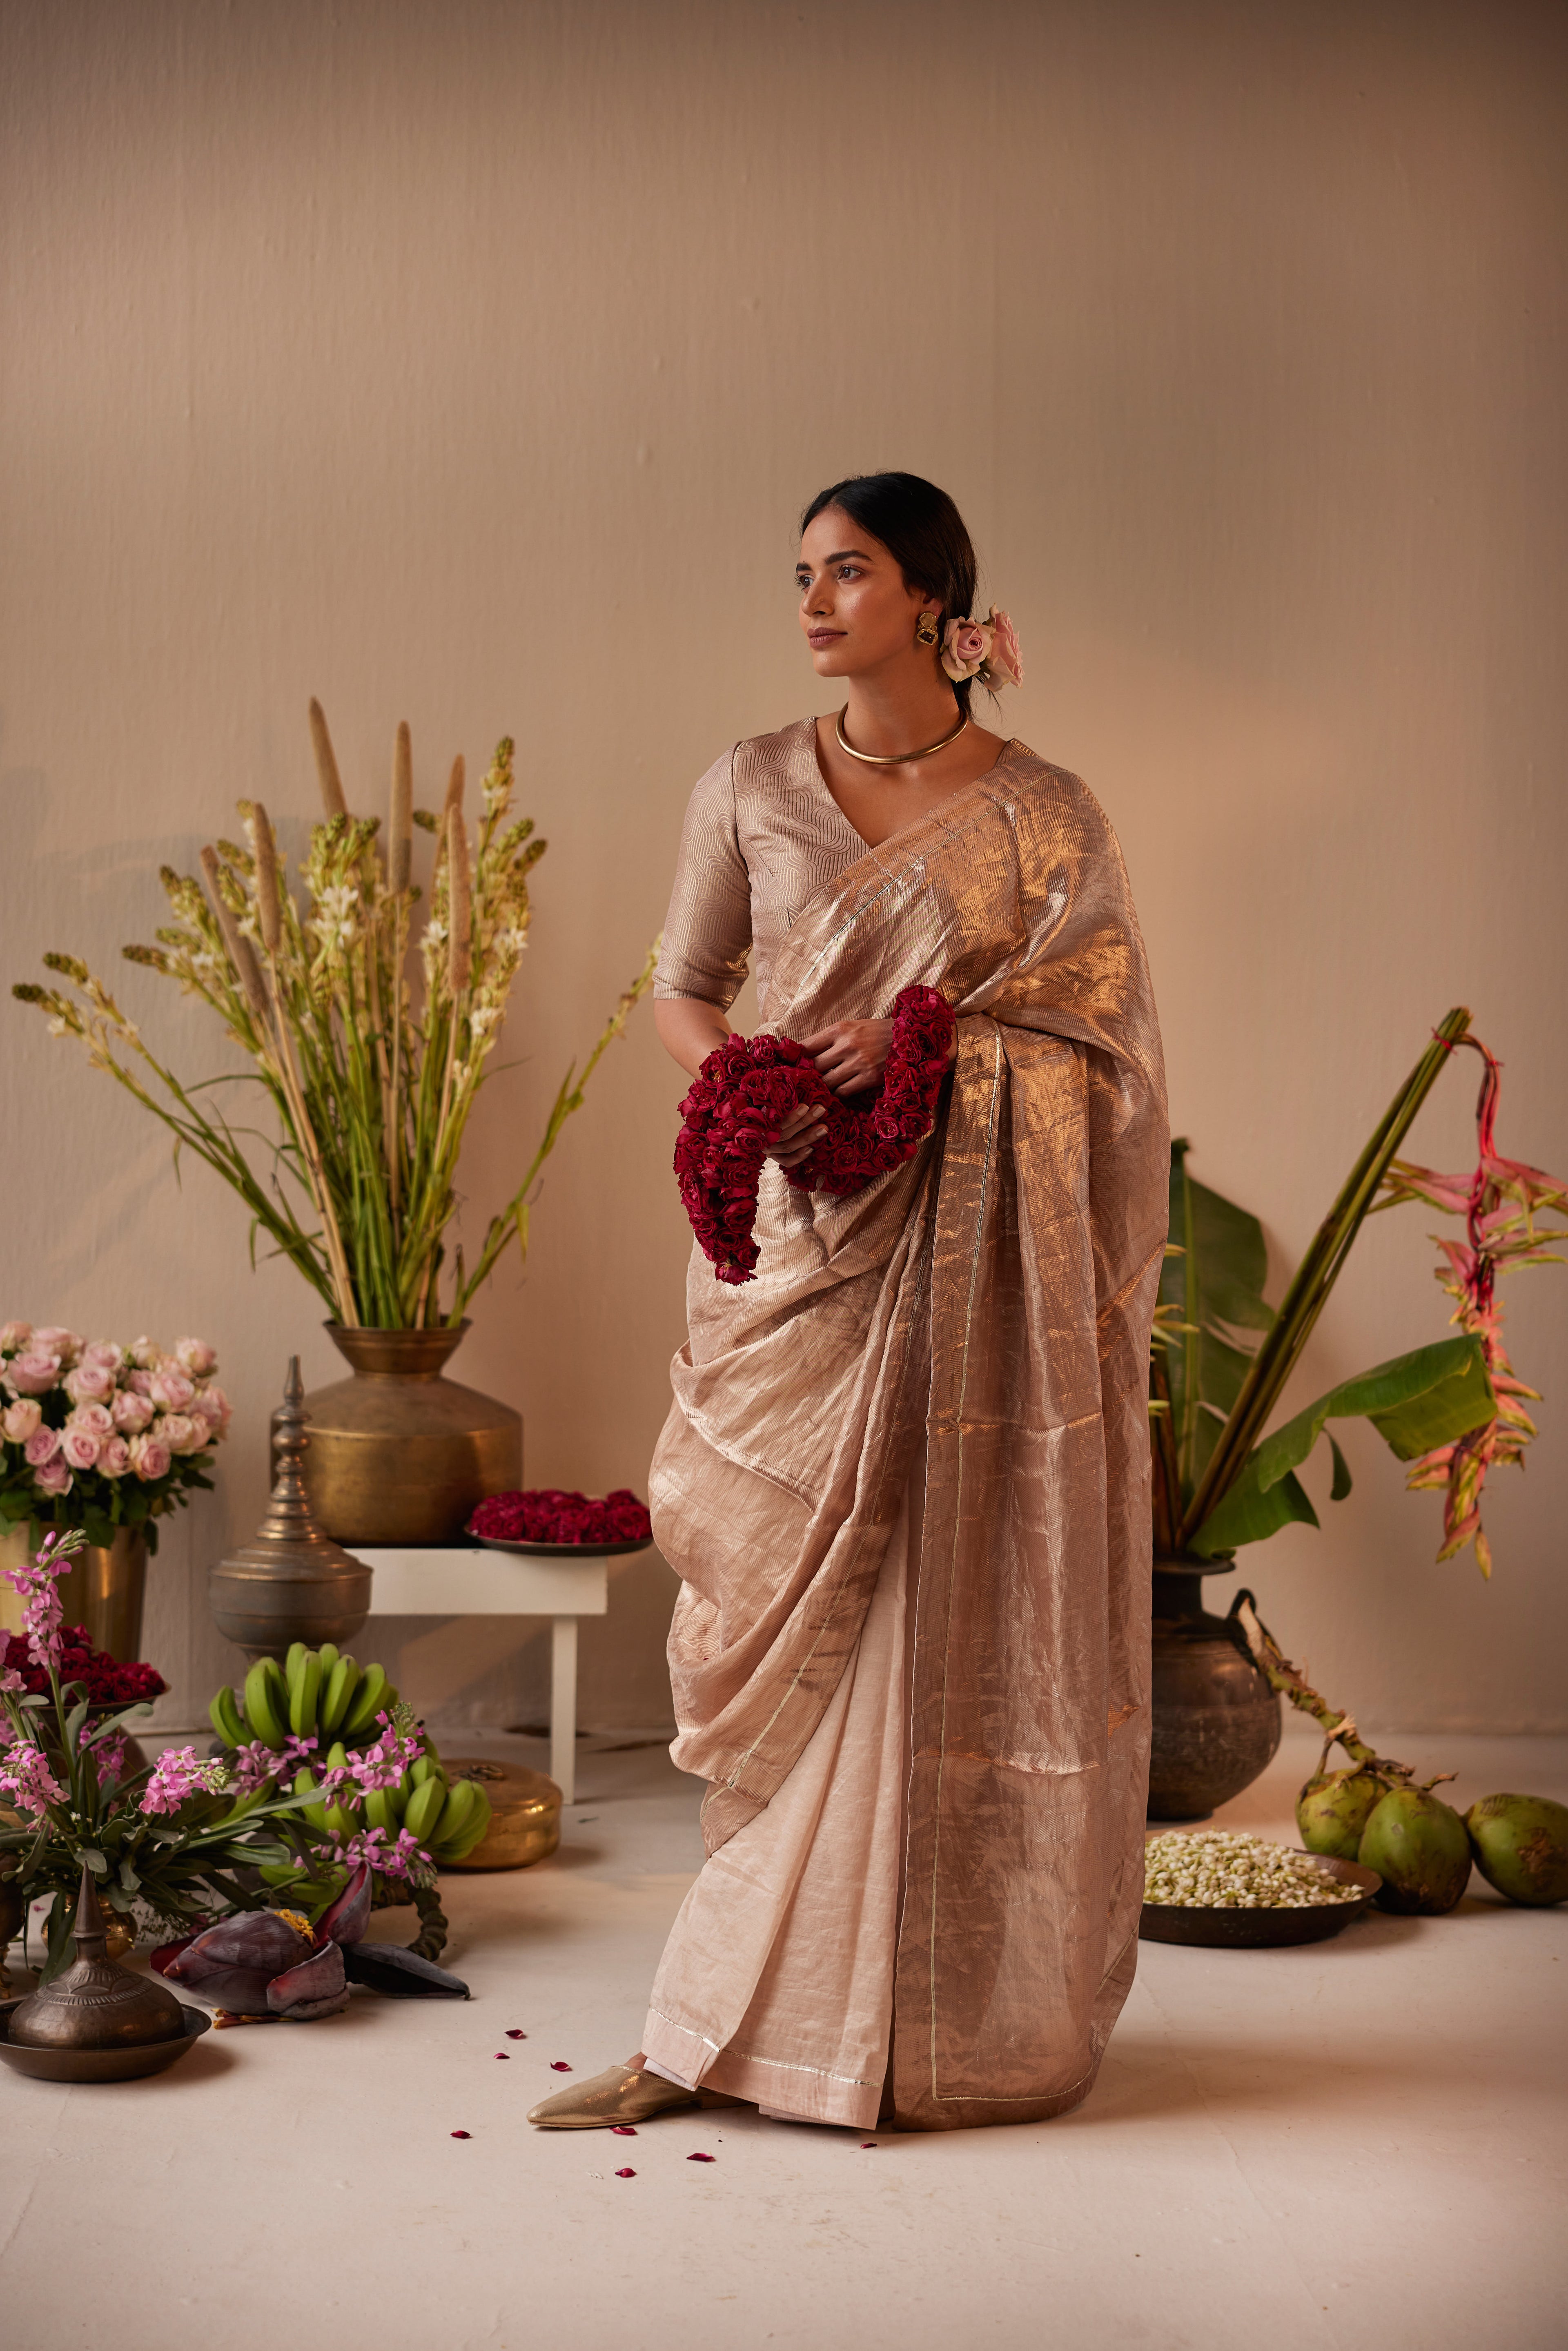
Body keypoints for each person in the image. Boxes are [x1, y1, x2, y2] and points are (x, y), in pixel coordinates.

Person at [529, 471, 1167, 2135]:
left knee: (943, 1615)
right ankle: (728, 2022)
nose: (813, 601)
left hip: (977, 1289)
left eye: (849, 572)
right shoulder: (747, 783)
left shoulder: (1051, 814)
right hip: (803, 1254)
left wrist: (936, 1044)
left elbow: (1108, 1047)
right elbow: (677, 996)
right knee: (785, 1621)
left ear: (937, 602)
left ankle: (937, 2034)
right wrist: (755, 1086)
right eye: (802, 573)